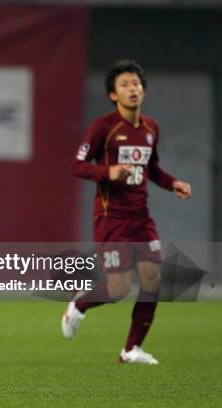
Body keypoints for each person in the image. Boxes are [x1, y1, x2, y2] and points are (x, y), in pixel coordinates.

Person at [63, 60, 191, 364]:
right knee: (118, 288)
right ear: (112, 94)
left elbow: (152, 168)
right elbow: (77, 166)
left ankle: (131, 349)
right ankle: (79, 306)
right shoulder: (103, 128)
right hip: (111, 218)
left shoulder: (150, 128)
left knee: (152, 281)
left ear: (143, 89)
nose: (133, 89)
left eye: (136, 83)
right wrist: (109, 172)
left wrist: (173, 183)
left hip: (141, 218)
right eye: (125, 85)